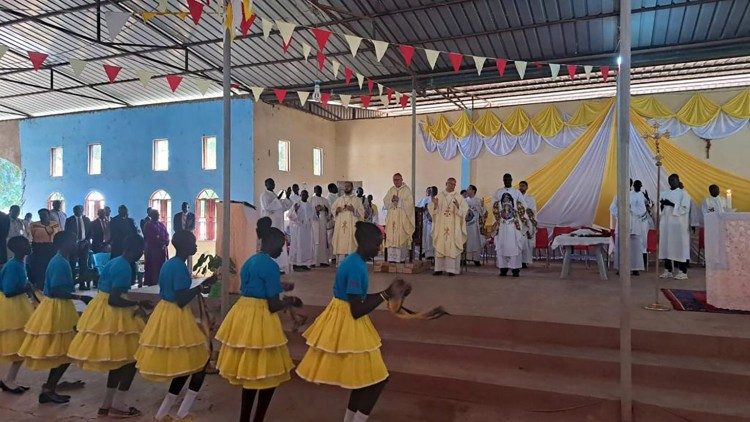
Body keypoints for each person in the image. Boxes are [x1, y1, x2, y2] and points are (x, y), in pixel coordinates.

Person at [296, 221, 411, 422]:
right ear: (365, 243)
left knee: (367, 379)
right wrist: (386, 293)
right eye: (377, 243)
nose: (379, 248)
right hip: (348, 320)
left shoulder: (353, 261)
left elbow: (358, 298)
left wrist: (389, 294)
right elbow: (357, 309)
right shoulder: (356, 266)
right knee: (377, 380)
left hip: (342, 313)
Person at [215, 218, 297, 422]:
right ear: (271, 244)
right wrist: (291, 302)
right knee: (268, 374)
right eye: (280, 246)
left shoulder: (251, 260)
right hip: (260, 315)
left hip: (243, 310)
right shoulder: (270, 265)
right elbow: (273, 304)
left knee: (250, 375)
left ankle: (244, 418)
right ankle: (258, 418)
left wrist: (280, 287)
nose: (281, 250)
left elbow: (255, 283)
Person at [67, 235, 148, 418]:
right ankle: (119, 405)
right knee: (130, 360)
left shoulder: (116, 261)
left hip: (102, 306)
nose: (142, 252)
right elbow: (115, 299)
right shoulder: (124, 266)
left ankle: (107, 403)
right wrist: (137, 305)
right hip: (114, 312)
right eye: (141, 249)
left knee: (118, 358)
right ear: (134, 249)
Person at [135, 230, 212, 421]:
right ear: (185, 246)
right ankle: (182, 411)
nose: (195, 246)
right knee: (199, 362)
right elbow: (181, 298)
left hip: (165, 312)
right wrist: (200, 287)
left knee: (187, 364)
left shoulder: (169, 264)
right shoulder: (179, 267)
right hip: (176, 316)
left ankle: (165, 412)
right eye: (193, 243)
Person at [18, 230, 91, 404]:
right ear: (64, 243)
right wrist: (81, 297)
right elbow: (58, 290)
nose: (76, 244)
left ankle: (52, 384)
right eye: (73, 241)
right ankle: (49, 387)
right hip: (58, 307)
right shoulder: (59, 262)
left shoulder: (61, 260)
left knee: (65, 350)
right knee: (66, 350)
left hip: (59, 306)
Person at [0, 236, 33, 394]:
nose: (29, 245)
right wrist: (26, 288)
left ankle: (10, 379)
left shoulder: (20, 263)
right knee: (17, 345)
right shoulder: (13, 266)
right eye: (25, 244)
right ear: (18, 248)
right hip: (13, 308)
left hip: (19, 305)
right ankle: (9, 379)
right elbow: (8, 291)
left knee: (20, 346)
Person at [429, 178, 468, 276]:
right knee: (440, 244)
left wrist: (458, 207)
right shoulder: (439, 196)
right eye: (450, 183)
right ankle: (438, 269)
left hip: (453, 226)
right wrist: (435, 205)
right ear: (446, 183)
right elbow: (432, 209)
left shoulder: (459, 198)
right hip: (441, 225)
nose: (452, 185)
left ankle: (451, 270)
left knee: (452, 246)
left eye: (454, 184)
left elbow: (465, 211)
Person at [611, 180, 649, 276]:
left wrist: (631, 209)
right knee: (621, 246)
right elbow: (612, 207)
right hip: (623, 223)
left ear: (630, 184)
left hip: (634, 224)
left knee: (635, 247)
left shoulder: (638, 195)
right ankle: (621, 268)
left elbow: (642, 209)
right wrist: (621, 214)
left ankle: (635, 268)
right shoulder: (618, 195)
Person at [659, 174, 691, 280]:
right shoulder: (664, 193)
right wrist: (661, 206)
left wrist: (672, 204)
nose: (671, 182)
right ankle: (668, 270)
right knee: (667, 246)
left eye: (673, 180)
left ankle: (683, 271)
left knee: (679, 247)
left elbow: (685, 208)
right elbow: (658, 210)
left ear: (678, 180)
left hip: (678, 225)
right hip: (666, 225)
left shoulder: (683, 194)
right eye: (670, 180)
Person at [260, 178, 293, 273]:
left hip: (279, 225)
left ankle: (278, 266)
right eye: (271, 183)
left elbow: (283, 207)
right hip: (271, 225)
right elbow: (267, 207)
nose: (273, 184)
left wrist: (287, 197)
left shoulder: (274, 195)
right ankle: (270, 267)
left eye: (273, 183)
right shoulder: (264, 195)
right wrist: (278, 198)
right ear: (266, 185)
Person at [382, 173, 414, 264]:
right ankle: (392, 259)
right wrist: (391, 201)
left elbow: (410, 205)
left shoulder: (407, 190)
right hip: (392, 217)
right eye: (394, 180)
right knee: (391, 236)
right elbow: (385, 201)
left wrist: (399, 200)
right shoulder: (391, 190)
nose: (396, 181)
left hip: (402, 219)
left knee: (400, 236)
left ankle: (401, 259)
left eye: (397, 179)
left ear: (401, 179)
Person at [491, 192, 525, 277]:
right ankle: (503, 269)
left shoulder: (516, 213)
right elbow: (495, 224)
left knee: (514, 250)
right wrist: (494, 231)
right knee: (501, 250)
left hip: (513, 235)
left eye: (508, 199)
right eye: (504, 199)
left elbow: (521, 222)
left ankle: (515, 270)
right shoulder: (498, 213)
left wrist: (518, 228)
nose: (506, 201)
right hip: (502, 234)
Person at [27, 209, 61, 289]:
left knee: (51, 265)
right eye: (40, 215)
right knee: (40, 267)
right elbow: (30, 236)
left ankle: (52, 283)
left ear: (49, 215)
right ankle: (40, 284)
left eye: (44, 214)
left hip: (52, 247)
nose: (42, 216)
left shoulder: (55, 224)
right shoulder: (34, 225)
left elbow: (59, 234)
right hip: (38, 247)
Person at [331, 181, 365, 262]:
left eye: (348, 186)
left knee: (352, 245)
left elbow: (362, 213)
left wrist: (354, 210)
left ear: (352, 188)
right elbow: (332, 210)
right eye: (345, 186)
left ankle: (351, 265)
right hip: (341, 228)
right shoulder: (339, 200)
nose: (346, 188)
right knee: (341, 244)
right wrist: (336, 210)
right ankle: (341, 264)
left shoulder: (356, 200)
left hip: (352, 227)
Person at [65, 205, 92, 289]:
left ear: (82, 210)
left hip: (85, 245)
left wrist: (86, 241)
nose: (78, 211)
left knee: (83, 265)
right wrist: (75, 242)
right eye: (75, 210)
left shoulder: (87, 220)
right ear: (73, 211)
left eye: (80, 210)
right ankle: (71, 284)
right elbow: (67, 233)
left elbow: (90, 232)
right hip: (74, 245)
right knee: (72, 264)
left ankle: (82, 284)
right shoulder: (69, 220)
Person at [289, 190, 315, 272]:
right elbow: (290, 215)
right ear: (300, 195)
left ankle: (304, 264)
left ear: (308, 195)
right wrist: (295, 210)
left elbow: (314, 216)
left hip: (307, 229)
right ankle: (296, 264)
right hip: (299, 228)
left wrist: (317, 212)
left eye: (306, 194)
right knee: (298, 246)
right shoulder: (296, 204)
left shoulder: (310, 205)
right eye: (302, 194)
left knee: (306, 246)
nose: (304, 195)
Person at [143, 209, 169, 286]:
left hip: (162, 249)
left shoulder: (161, 224)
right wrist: (160, 242)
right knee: (153, 267)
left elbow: (166, 234)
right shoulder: (148, 225)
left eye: (158, 214)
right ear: (151, 216)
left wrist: (166, 241)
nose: (157, 216)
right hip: (153, 249)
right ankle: (153, 282)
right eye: (155, 214)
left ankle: (160, 281)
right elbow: (150, 237)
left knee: (162, 265)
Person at [311, 185, 332, 267]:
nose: (318, 191)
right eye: (317, 190)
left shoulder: (325, 200)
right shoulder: (311, 199)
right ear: (314, 190)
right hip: (314, 223)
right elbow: (309, 211)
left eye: (320, 189)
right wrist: (315, 210)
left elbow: (329, 211)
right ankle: (313, 261)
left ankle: (323, 260)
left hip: (323, 223)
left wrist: (324, 209)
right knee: (315, 241)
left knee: (323, 241)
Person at [518, 181, 538, 268]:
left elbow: (533, 211)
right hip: (518, 222)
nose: (521, 187)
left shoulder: (530, 198)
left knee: (527, 243)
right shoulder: (516, 198)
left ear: (527, 187)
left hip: (527, 222)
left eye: (523, 186)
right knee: (519, 242)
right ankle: (518, 261)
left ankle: (525, 261)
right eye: (520, 186)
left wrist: (525, 211)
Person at [464, 185, 485, 266]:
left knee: (475, 242)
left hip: (475, 225)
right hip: (466, 225)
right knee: (466, 241)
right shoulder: (464, 201)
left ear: (473, 191)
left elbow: (483, 213)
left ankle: (476, 259)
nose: (467, 190)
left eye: (468, 189)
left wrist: (482, 207)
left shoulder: (478, 201)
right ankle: (465, 258)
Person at [416, 187, 436, 260]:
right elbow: (419, 208)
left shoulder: (437, 200)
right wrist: (425, 208)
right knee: (425, 237)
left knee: (432, 238)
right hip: (425, 221)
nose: (430, 192)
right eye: (429, 191)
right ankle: (425, 252)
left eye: (432, 191)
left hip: (435, 222)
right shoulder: (424, 199)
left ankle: (432, 253)